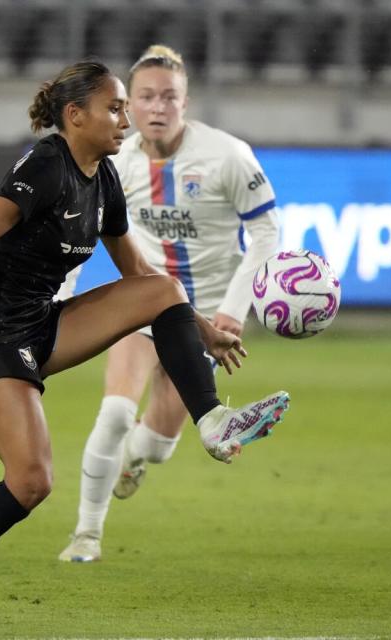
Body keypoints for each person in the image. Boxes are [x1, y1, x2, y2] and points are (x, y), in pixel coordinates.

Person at [0, 59, 288, 614]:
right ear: (75, 116)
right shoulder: (47, 166)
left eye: (126, 107)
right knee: (31, 482)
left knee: (162, 288)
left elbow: (141, 277)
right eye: (116, 107)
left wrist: (204, 331)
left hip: (44, 321)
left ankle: (214, 422)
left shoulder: (104, 179)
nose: (125, 119)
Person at [58, 45, 282, 564]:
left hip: (204, 316)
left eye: (169, 97)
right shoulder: (116, 161)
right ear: (128, 105)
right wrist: (60, 299)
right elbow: (81, 234)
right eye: (145, 97)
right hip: (143, 304)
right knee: (114, 412)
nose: (157, 107)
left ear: (186, 103)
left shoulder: (228, 156)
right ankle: (86, 536)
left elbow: (267, 232)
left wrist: (234, 307)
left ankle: (138, 457)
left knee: (156, 444)